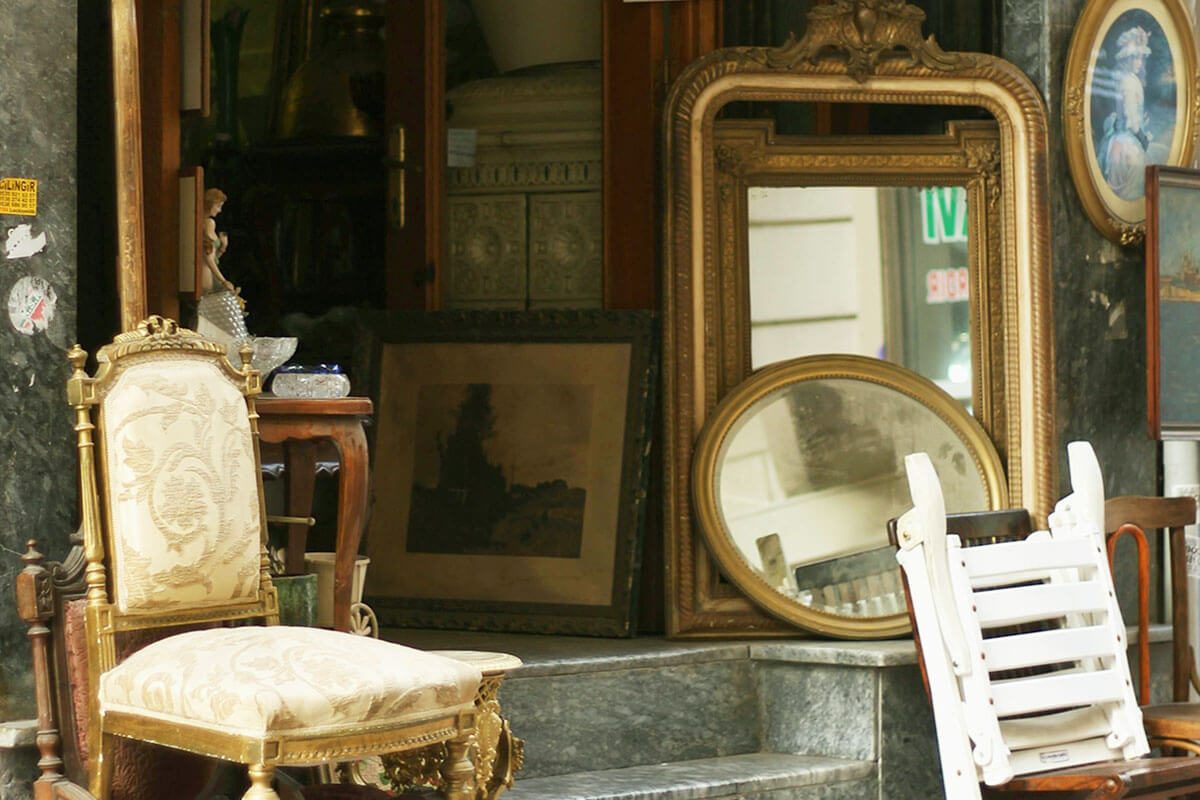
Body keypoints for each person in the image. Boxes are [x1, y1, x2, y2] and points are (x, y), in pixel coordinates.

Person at [1099, 26, 1152, 201]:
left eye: (1141, 58)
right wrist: (1141, 136)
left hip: (1119, 137)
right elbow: (1131, 119)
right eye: (1135, 58)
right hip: (1128, 141)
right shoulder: (1130, 82)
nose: (1139, 62)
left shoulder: (1125, 79)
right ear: (1126, 59)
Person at [196, 187, 251, 348]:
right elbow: (208, 259)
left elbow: (214, 258)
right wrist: (223, 280)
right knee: (213, 308)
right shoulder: (209, 223)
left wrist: (222, 247)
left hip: (210, 270)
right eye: (218, 206)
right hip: (208, 273)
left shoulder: (207, 223)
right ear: (210, 204)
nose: (219, 210)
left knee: (210, 310)